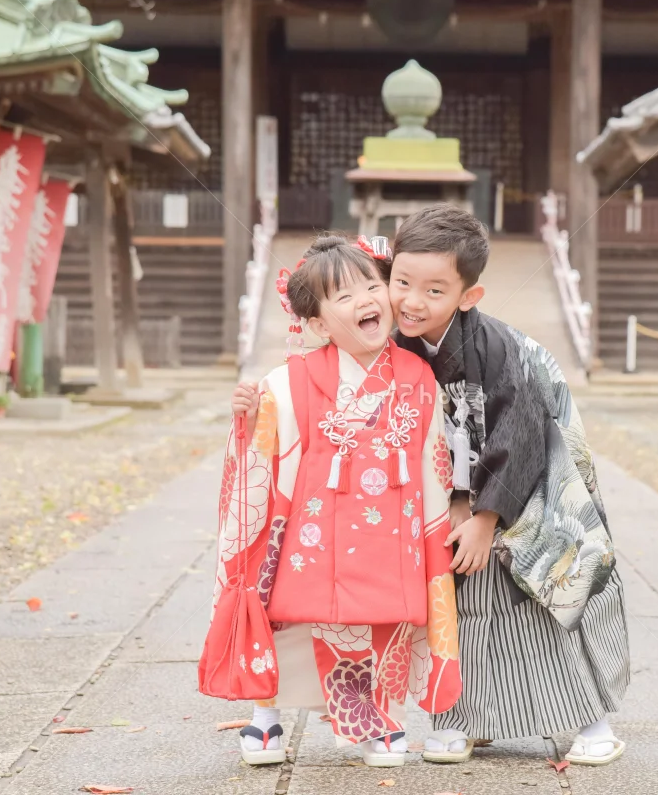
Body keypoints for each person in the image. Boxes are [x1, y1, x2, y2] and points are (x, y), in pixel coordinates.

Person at [386, 204, 631, 766]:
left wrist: (485, 517)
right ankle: (461, 719)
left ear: (468, 296)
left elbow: (519, 433)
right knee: (454, 602)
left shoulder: (498, 350)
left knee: (545, 590)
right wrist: (452, 502)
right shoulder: (398, 344)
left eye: (434, 290)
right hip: (454, 491)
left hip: (534, 478)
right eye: (402, 282)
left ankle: (591, 722)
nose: (412, 301)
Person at [216, 235, 462, 769]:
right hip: (313, 527)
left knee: (384, 620)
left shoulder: (419, 377)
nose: (365, 301)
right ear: (320, 325)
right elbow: (265, 444)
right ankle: (266, 714)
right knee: (288, 615)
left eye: (371, 285)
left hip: (391, 526)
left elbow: (432, 459)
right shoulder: (292, 379)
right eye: (343, 297)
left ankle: (379, 717)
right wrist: (247, 413)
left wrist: (438, 525)